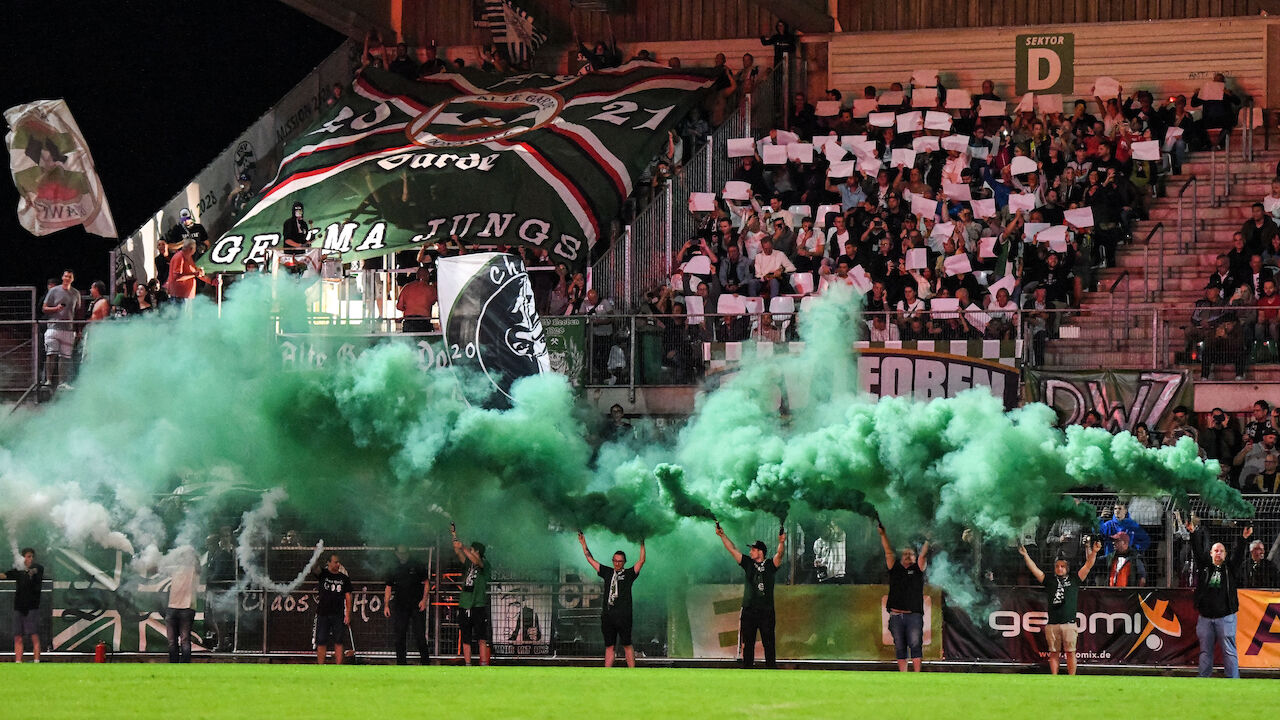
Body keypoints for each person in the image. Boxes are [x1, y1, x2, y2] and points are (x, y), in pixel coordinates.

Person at [1017, 540, 1101, 675]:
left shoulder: (1074, 579)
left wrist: (1095, 552)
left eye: (1062, 566)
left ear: (1067, 568)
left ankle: (1071, 678)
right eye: (1057, 566)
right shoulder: (1049, 581)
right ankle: (1054, 678)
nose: (1060, 568)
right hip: (1053, 624)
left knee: (1070, 652)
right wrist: (1026, 555)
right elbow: (1035, 570)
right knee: (1053, 653)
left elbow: (1088, 565)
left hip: (1069, 624)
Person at [1184, 517, 1249, 678]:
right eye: (1216, 550)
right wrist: (1192, 533)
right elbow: (1197, 551)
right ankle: (1204, 678)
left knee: (1229, 650)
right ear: (1211, 553)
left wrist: (1243, 539)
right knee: (1205, 651)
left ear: (1225, 555)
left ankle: (1233, 679)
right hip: (1205, 617)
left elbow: (1239, 556)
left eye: (1221, 550)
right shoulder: (1205, 567)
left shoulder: (1230, 569)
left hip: (1225, 617)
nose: (1218, 553)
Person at [716, 522, 784, 668]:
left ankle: (771, 668)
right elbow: (732, 549)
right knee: (748, 642)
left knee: (769, 642)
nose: (750, 552)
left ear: (760, 552)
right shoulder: (747, 563)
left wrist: (781, 542)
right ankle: (747, 668)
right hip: (749, 609)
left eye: (753, 549)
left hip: (766, 610)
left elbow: (780, 554)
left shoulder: (770, 565)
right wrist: (723, 535)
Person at [577, 531, 646, 668]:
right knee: (609, 645)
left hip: (624, 615)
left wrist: (642, 543)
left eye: (620, 561)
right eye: (615, 561)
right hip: (608, 615)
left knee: (627, 644)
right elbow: (591, 560)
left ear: (624, 562)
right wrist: (583, 544)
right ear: (613, 561)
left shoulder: (629, 574)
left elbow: (641, 560)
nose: (617, 563)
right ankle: (607, 673)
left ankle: (633, 673)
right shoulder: (607, 572)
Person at [877, 520, 930, 671]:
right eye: (905, 554)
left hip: (913, 615)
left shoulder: (918, 569)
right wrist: (883, 535)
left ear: (915, 557)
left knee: (915, 644)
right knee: (900, 646)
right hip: (895, 614)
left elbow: (923, 555)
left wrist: (928, 541)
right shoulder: (895, 568)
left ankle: (917, 675)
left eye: (911, 554)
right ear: (901, 557)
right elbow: (888, 551)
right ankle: (903, 676)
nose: (907, 556)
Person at [383, 544, 430, 665]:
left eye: (404, 553)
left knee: (420, 635)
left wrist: (424, 600)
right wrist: (386, 605)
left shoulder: (417, 563)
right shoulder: (393, 566)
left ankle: (426, 663)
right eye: (400, 553)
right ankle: (401, 663)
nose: (402, 556)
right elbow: (388, 587)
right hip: (400, 605)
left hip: (416, 605)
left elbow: (426, 583)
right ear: (396, 553)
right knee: (399, 636)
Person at [453, 524, 490, 666]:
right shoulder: (468, 562)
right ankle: (468, 664)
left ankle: (483, 663)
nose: (470, 551)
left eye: (472, 550)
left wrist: (463, 547)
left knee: (481, 637)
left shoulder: (484, 563)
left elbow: (477, 561)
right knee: (466, 637)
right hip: (465, 604)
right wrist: (454, 536)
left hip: (478, 605)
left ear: (477, 551)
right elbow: (458, 552)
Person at [0, 548, 44, 663]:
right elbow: (4, 575)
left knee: (34, 635)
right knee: (18, 636)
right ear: (23, 557)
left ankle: (36, 661)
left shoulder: (38, 569)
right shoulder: (17, 570)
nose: (31, 559)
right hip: (18, 607)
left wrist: (26, 569)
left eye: (32, 556)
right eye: (28, 556)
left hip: (32, 607)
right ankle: (18, 662)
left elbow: (33, 571)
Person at [41, 269, 81, 389]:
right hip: (53, 326)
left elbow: (77, 312)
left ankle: (62, 382)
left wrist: (78, 328)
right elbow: (44, 308)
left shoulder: (76, 293)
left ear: (72, 279)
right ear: (62, 277)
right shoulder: (54, 291)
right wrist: (56, 309)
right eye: (65, 276)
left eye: (69, 276)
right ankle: (48, 380)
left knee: (65, 356)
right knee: (51, 354)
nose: (67, 278)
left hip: (68, 329)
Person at [312, 553, 352, 664]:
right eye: (335, 562)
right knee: (321, 640)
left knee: (339, 640)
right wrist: (316, 555)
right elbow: (314, 568)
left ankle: (338, 666)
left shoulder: (344, 578)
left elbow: (348, 597)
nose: (338, 564)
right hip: (323, 613)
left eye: (338, 562)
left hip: (338, 614)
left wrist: (348, 614)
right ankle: (320, 665)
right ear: (329, 563)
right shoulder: (323, 574)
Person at [162, 545, 199, 663]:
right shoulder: (175, 568)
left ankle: (185, 666)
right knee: (173, 641)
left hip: (187, 608)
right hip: (173, 608)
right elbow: (159, 567)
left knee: (184, 640)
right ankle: (174, 665)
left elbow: (197, 564)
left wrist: (191, 552)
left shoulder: (195, 569)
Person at [396, 266, 437, 332]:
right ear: (428, 276)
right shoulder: (431, 289)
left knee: (408, 342)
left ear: (416, 276)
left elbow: (399, 307)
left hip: (408, 322)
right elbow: (436, 302)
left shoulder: (406, 287)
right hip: (424, 323)